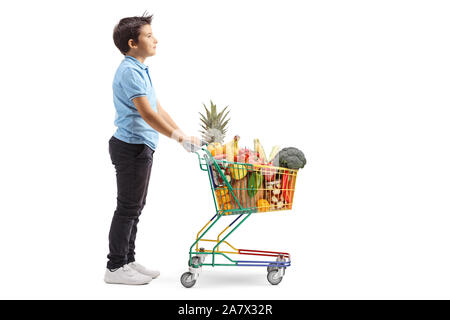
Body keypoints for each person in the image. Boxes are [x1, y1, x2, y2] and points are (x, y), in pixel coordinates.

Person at [105, 13, 200, 285]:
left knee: (135, 206)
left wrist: (181, 134)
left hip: (140, 146)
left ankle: (128, 260)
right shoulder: (129, 71)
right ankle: (114, 267)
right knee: (127, 208)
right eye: (149, 35)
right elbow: (147, 115)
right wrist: (178, 139)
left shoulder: (140, 69)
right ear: (133, 43)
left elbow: (158, 108)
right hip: (131, 146)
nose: (155, 39)